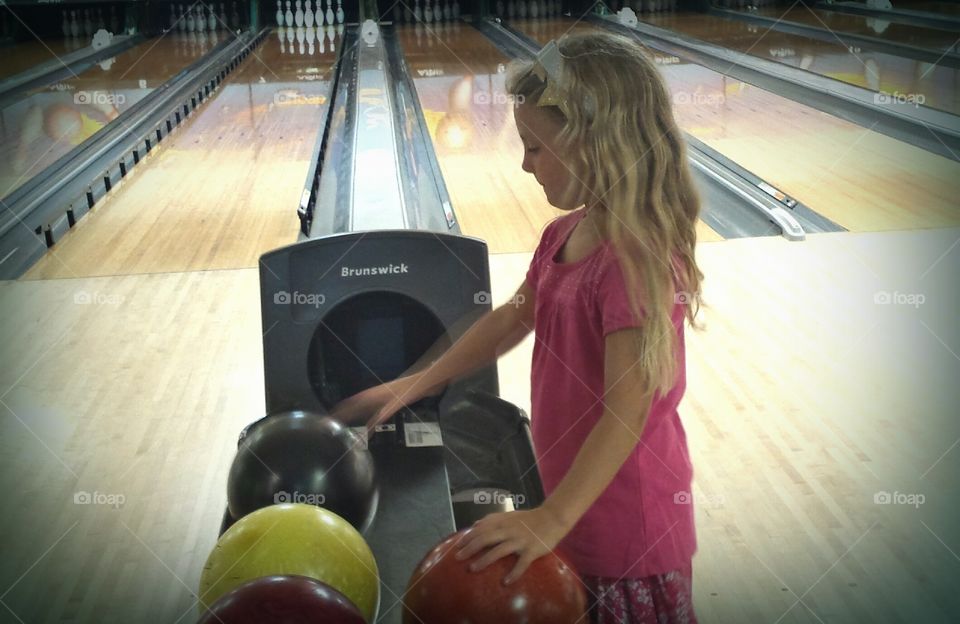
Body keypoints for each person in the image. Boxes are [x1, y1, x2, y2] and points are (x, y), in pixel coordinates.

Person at [334, 32, 704, 624]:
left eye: (535, 146)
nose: (525, 163)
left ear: (595, 143)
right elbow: (513, 316)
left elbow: (627, 411)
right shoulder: (564, 236)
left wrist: (551, 518)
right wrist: (417, 382)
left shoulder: (637, 261)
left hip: (625, 533)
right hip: (568, 508)